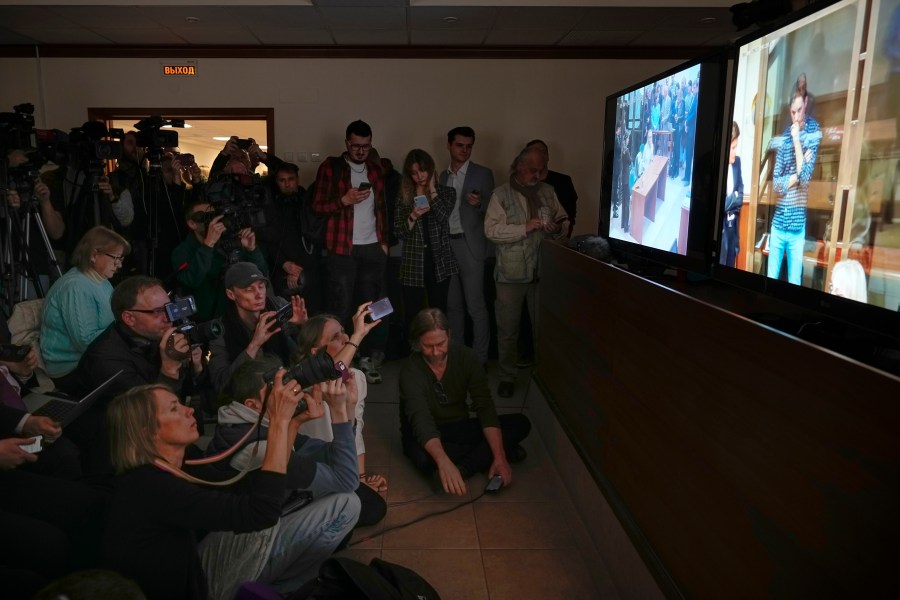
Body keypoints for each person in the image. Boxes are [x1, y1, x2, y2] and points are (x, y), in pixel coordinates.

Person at [102, 381, 359, 600]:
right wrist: (279, 421)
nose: (189, 410)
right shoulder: (151, 487)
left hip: (196, 568)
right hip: (197, 590)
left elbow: (245, 489)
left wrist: (290, 424)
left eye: (181, 403)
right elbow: (260, 513)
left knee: (342, 500)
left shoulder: (174, 466)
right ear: (148, 433)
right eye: (174, 409)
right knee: (272, 518)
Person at [208, 355, 384, 527]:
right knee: (351, 502)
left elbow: (331, 455)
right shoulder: (255, 446)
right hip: (254, 535)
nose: (287, 392)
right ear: (252, 404)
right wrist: (337, 411)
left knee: (370, 502)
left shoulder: (253, 421)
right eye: (276, 389)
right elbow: (347, 480)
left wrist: (349, 407)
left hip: (282, 500)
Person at [398, 308, 530, 496]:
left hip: (458, 426)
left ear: (450, 335)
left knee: (520, 423)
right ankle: (486, 455)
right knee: (423, 458)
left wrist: (500, 459)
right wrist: (443, 461)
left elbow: (485, 407)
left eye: (441, 344)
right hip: (424, 435)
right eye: (428, 346)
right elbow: (422, 422)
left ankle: (464, 468)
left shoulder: (467, 357)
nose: (435, 352)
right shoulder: (410, 371)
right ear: (418, 343)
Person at [484, 146, 569, 398]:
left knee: (543, 329)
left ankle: (542, 376)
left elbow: (563, 221)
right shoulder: (500, 194)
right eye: (533, 170)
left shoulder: (548, 192)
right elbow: (491, 231)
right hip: (510, 274)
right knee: (508, 330)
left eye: (542, 170)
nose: (538, 175)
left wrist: (558, 228)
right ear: (519, 166)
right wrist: (524, 227)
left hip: (542, 271)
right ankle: (507, 376)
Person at [310, 120, 388, 384]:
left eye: (365, 147)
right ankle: (339, 361)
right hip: (341, 247)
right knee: (340, 306)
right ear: (346, 143)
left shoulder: (376, 171)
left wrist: (384, 241)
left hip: (371, 247)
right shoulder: (331, 168)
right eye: (355, 146)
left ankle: (365, 357)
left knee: (370, 307)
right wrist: (344, 200)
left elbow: (383, 209)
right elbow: (317, 206)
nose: (360, 151)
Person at [293, 307, 387, 494]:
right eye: (336, 337)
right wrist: (357, 336)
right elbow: (332, 376)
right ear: (315, 351)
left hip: (340, 460)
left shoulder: (356, 377)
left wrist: (359, 477)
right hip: (312, 465)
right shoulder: (302, 382)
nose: (346, 339)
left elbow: (355, 431)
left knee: (372, 503)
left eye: (345, 332)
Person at [75, 276, 200, 402]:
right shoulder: (106, 361)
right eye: (158, 311)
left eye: (169, 307)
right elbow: (148, 411)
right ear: (129, 318)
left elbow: (188, 391)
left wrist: (195, 368)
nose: (169, 317)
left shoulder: (152, 334)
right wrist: (170, 369)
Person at [40, 226, 130, 387]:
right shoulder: (76, 286)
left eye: (121, 259)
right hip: (70, 368)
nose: (119, 265)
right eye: (115, 258)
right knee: (131, 379)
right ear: (94, 255)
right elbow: (86, 342)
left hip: (92, 359)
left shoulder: (101, 279)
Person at [437, 126, 494, 366]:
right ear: (449, 145)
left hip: (470, 245)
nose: (464, 150)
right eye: (460, 145)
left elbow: (493, 210)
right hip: (447, 244)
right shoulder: (443, 175)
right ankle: (457, 357)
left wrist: (479, 202)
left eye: (469, 146)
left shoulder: (482, 173)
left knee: (476, 305)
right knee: (453, 306)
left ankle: (479, 360)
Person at [207, 262, 308, 393]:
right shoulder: (220, 331)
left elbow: (304, 353)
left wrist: (302, 326)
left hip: (288, 385)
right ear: (231, 294)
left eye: (261, 287)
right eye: (249, 289)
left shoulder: (278, 306)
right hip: (251, 398)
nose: (259, 294)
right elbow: (221, 384)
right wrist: (255, 344)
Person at [171, 196, 269, 321]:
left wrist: (252, 250)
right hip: (208, 320)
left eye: (213, 215)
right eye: (204, 217)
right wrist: (208, 245)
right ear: (192, 223)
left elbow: (261, 274)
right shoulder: (182, 251)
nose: (212, 222)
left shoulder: (228, 243)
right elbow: (191, 280)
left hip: (237, 316)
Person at [394, 149, 457, 334]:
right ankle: (415, 354)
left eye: (422, 171)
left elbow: (443, 216)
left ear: (431, 170)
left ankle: (441, 349)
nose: (419, 176)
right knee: (413, 314)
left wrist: (432, 189)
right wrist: (412, 215)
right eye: (414, 173)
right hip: (413, 263)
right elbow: (400, 233)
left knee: (439, 313)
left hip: (440, 261)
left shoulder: (447, 192)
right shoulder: (404, 196)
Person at [769, 73, 822, 285]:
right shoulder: (784, 135)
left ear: (806, 104)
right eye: (792, 112)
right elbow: (777, 185)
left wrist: (797, 142)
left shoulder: (813, 131)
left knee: (794, 283)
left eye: (799, 110)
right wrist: (795, 177)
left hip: (797, 227)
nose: (796, 117)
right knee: (770, 280)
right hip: (778, 223)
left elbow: (807, 177)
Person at [257, 162, 324, 314]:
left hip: (311, 268)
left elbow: (318, 239)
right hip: (281, 269)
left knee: (313, 315)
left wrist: (299, 270)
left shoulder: (310, 203)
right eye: (282, 180)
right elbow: (268, 240)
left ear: (298, 179)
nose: (287, 184)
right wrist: (285, 264)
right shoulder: (269, 207)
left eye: (291, 179)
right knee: (286, 316)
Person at [526, 139, 579, 236]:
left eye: (541, 152)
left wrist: (558, 229)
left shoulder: (563, 182)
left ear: (547, 156)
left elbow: (570, 217)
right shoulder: (522, 183)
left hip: (554, 241)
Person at [720, 121, 744, 268]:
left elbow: (740, 194)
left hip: (732, 231)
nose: (735, 152)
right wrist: (733, 199)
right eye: (732, 148)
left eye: (736, 147)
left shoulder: (737, 162)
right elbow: (719, 205)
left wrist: (733, 199)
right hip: (720, 234)